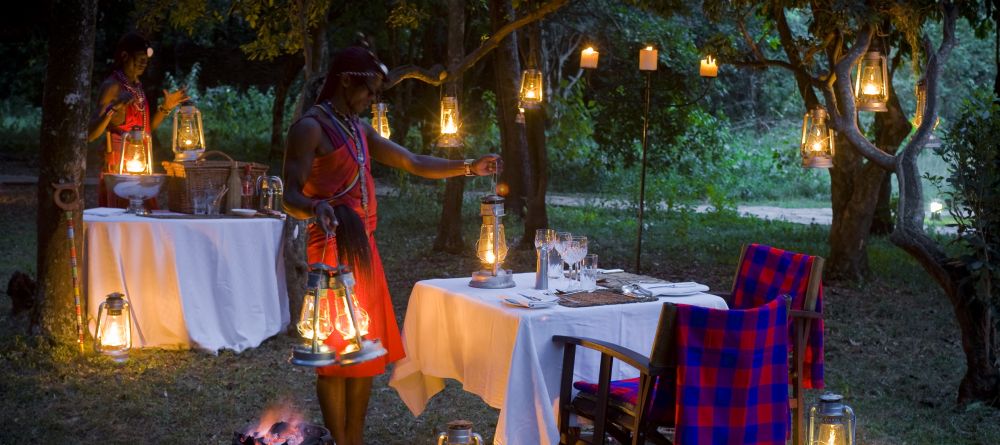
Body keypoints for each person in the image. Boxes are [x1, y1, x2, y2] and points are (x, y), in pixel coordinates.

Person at [282, 42, 500, 445]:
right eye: (369, 90)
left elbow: (413, 161)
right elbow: (289, 196)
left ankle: (355, 439)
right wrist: (316, 207)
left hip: (365, 253)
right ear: (346, 81)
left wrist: (469, 166)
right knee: (333, 357)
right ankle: (336, 440)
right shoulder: (310, 128)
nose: (372, 99)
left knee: (364, 354)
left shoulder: (358, 129)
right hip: (329, 251)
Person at [88, 31, 188, 207]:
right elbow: (91, 134)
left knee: (144, 221)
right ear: (125, 56)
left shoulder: (137, 88)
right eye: (140, 57)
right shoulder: (112, 86)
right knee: (122, 220)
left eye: (146, 59)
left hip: (141, 166)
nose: (144, 62)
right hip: (119, 170)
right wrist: (112, 109)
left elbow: (145, 128)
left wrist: (166, 108)